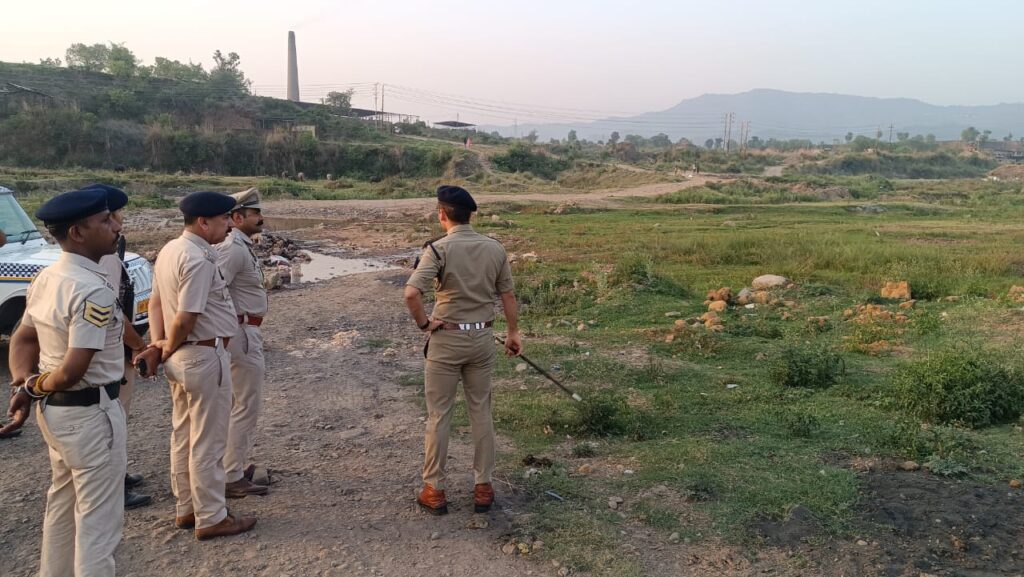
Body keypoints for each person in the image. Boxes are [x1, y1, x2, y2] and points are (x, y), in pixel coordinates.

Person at [5, 186, 127, 576]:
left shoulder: (47, 277)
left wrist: (22, 383)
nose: (115, 226)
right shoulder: (91, 289)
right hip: (90, 413)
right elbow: (74, 369)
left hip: (57, 414)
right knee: (98, 526)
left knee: (62, 506)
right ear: (77, 232)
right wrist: (30, 387)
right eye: (105, 221)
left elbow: (23, 338)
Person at [404, 185, 522, 515]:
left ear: (442, 214)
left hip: (446, 339)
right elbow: (508, 295)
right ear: (471, 215)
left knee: (439, 414)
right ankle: (483, 486)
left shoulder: (437, 249)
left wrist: (424, 324)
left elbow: (411, 293)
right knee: (481, 410)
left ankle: (434, 490)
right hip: (482, 338)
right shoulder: (495, 248)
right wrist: (513, 333)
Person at [147, 191, 257, 540]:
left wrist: (158, 343)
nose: (229, 225)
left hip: (183, 355)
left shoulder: (170, 250)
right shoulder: (197, 258)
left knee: (183, 434)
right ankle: (211, 516)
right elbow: (186, 316)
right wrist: (167, 346)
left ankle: (187, 507)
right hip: (202, 354)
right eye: (224, 219)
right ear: (203, 222)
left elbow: (154, 303)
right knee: (208, 441)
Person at [90, 184, 153, 510]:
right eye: (117, 214)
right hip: (111, 353)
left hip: (111, 350)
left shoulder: (105, 252)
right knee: (112, 422)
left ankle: (119, 474)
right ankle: (114, 485)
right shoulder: (106, 258)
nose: (121, 220)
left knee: (117, 418)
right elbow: (114, 313)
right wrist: (139, 346)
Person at [216, 187, 270, 497]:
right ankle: (231, 475)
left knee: (240, 403)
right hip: (240, 331)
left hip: (243, 329)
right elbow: (213, 290)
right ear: (237, 218)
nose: (261, 218)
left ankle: (231, 466)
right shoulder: (233, 249)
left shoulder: (241, 246)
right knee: (246, 404)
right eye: (255, 213)